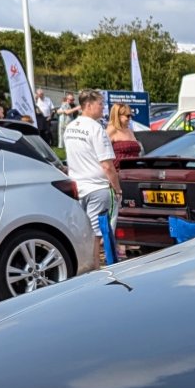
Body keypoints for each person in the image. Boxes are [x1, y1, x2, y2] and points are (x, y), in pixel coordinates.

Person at [64, 88, 121, 268]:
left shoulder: (70, 128)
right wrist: (117, 188)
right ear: (88, 105)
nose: (103, 108)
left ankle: (82, 266)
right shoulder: (96, 129)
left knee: (81, 231)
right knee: (97, 233)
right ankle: (95, 268)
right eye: (100, 104)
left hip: (77, 188)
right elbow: (107, 165)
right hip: (97, 187)